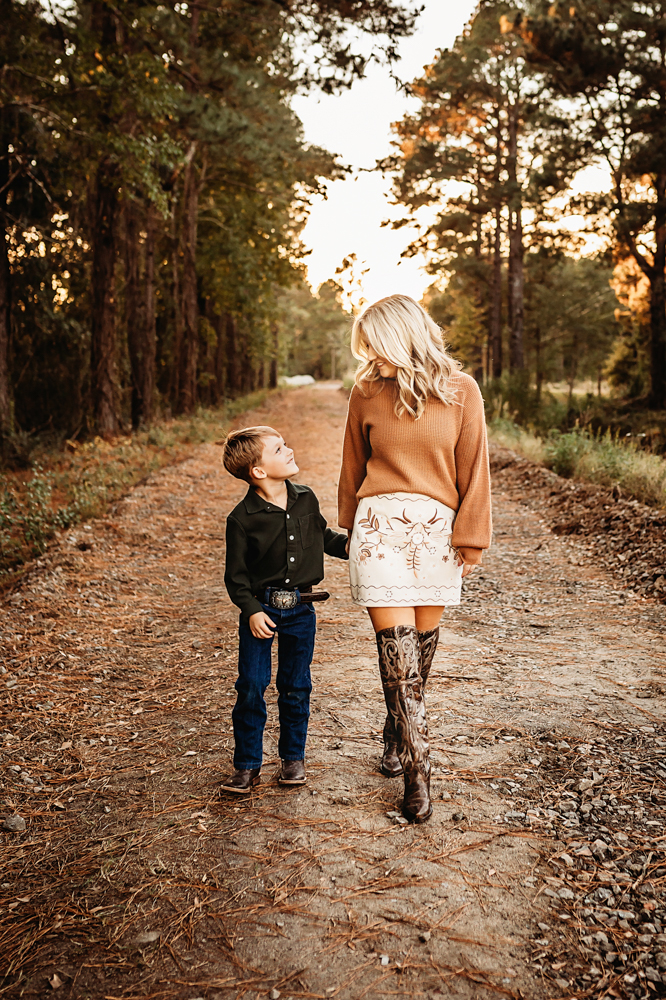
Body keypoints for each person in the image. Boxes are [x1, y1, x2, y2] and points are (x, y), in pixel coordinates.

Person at [338, 295, 492, 823]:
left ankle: (395, 728)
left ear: (401, 337)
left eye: (376, 346)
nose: (370, 358)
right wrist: (348, 529)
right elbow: (352, 464)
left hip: (436, 536)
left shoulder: (461, 390)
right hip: (379, 530)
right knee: (398, 660)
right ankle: (417, 772)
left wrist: (471, 537)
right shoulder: (365, 391)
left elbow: (475, 469)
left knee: (417, 659)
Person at [221, 425, 348, 793]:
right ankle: (246, 765)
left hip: (302, 613)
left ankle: (293, 758)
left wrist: (355, 546)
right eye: (279, 449)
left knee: (295, 685)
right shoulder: (242, 519)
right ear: (258, 471)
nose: (289, 450)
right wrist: (251, 610)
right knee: (251, 686)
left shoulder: (306, 498)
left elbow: (323, 538)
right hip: (262, 612)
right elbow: (236, 577)